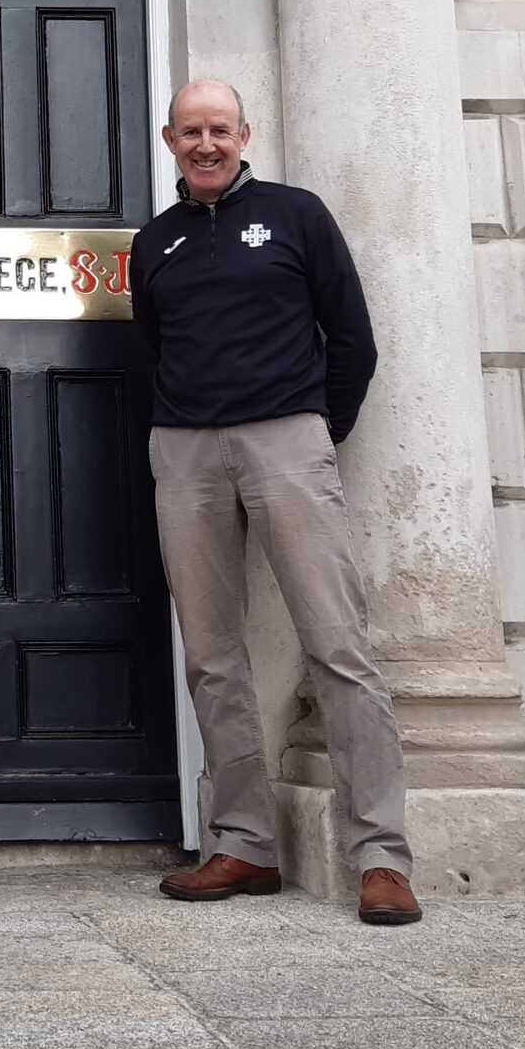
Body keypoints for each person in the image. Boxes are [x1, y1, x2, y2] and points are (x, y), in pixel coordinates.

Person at [130, 78, 420, 925]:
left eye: (220, 129)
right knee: (212, 656)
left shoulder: (297, 215)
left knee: (338, 646)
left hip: (287, 439)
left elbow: (352, 336)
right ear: (170, 140)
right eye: (192, 132)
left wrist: (317, 427)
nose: (207, 144)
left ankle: (381, 858)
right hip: (185, 452)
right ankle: (244, 844)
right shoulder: (155, 242)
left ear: (244, 133)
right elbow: (155, 344)